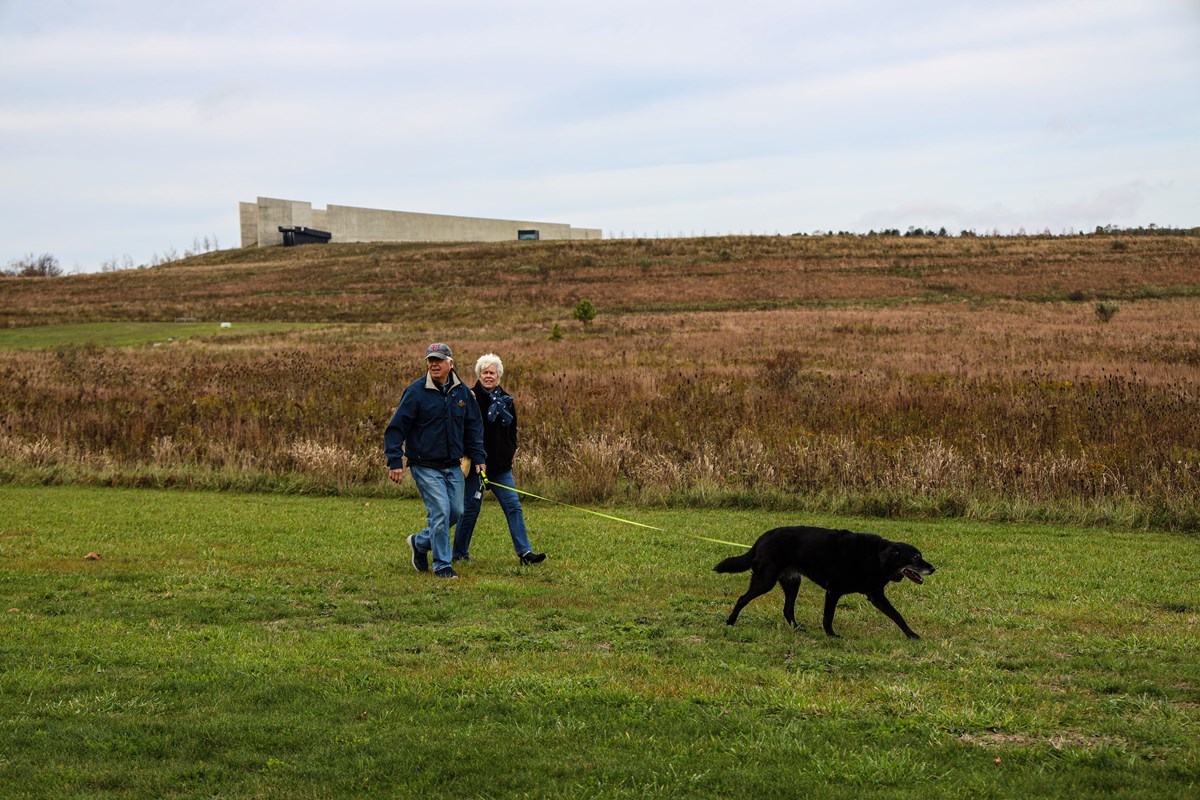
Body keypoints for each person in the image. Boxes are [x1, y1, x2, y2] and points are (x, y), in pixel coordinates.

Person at [384, 342, 487, 579]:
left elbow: (474, 426)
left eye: (439, 360)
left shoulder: (462, 393)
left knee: (456, 512)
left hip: (453, 465)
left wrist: (479, 457)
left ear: (450, 363)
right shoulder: (416, 391)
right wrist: (394, 460)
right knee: (440, 511)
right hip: (424, 464)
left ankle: (420, 543)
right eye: (430, 360)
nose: (433, 363)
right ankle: (442, 565)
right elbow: (396, 428)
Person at [452, 353, 546, 566]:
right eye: (484, 372)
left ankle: (525, 553)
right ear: (479, 374)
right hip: (477, 466)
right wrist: (473, 457)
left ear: (498, 376)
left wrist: (509, 450)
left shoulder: (507, 400)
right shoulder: (469, 397)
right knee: (470, 510)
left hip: (501, 468)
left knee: (513, 506)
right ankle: (459, 553)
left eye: (492, 372)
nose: (488, 376)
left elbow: (513, 430)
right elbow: (463, 430)